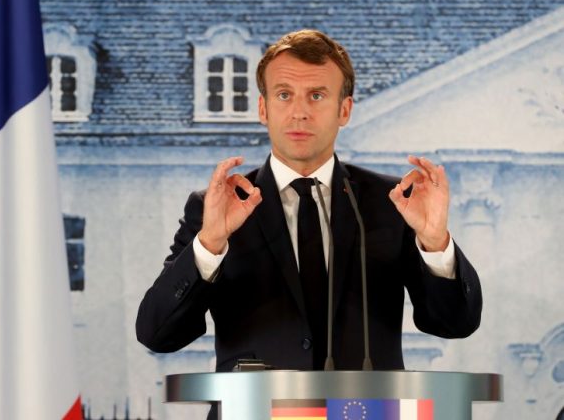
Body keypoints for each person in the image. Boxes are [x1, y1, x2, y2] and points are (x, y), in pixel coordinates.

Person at [135, 29, 482, 375]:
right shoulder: (218, 206)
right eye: (284, 95)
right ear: (263, 108)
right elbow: (158, 334)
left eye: (316, 96)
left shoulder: (394, 202)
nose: (299, 112)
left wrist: (435, 243)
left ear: (344, 110)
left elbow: (454, 323)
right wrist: (209, 244)